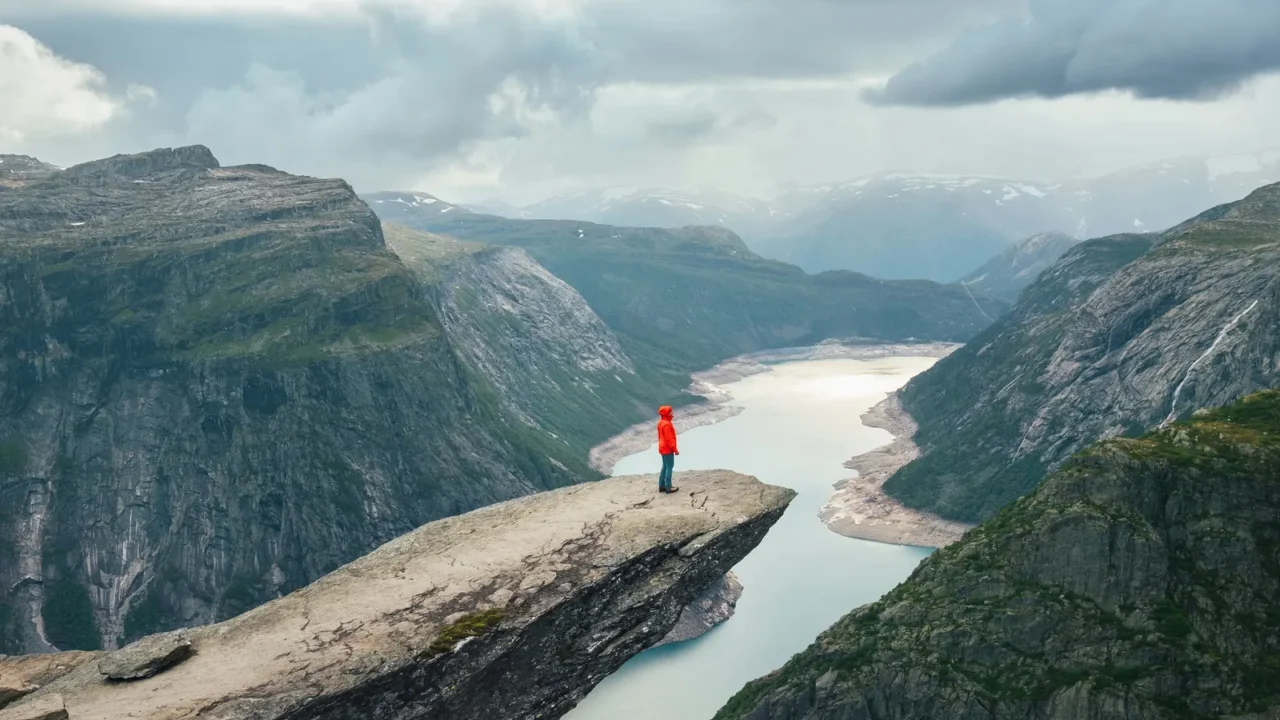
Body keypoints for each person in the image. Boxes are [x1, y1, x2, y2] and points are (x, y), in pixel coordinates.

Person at [657, 405, 679, 494]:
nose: (672, 413)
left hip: (662, 448)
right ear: (666, 414)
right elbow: (669, 439)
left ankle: (661, 486)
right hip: (667, 449)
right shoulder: (667, 424)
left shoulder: (661, 422)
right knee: (669, 467)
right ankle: (668, 487)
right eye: (670, 412)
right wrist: (675, 449)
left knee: (664, 467)